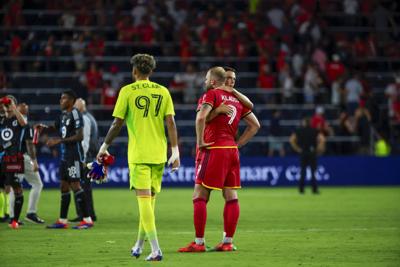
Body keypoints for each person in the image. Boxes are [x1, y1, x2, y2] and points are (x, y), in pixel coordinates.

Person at [95, 54, 180, 261]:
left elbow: (117, 123)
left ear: (134, 71)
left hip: (140, 154)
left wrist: (104, 147)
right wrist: (175, 152)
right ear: (151, 71)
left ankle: (156, 249)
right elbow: (170, 122)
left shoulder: (127, 91)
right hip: (159, 154)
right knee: (149, 204)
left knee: (143, 203)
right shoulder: (163, 91)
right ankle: (139, 245)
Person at [178, 66, 260, 252]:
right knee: (230, 195)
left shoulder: (211, 95)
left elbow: (200, 119)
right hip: (231, 150)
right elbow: (255, 125)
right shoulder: (237, 101)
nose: (205, 82)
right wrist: (236, 145)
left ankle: (198, 243)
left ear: (213, 81)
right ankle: (227, 242)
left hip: (214, 148)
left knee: (199, 194)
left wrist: (200, 142)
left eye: (207, 78)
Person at [37, 90, 94, 229]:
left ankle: (87, 220)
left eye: (63, 98)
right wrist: (43, 128)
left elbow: (79, 136)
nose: (60, 101)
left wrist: (59, 141)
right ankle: (62, 221)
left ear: (71, 100)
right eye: (60, 98)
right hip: (64, 156)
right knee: (63, 186)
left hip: (74, 155)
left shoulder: (75, 113)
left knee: (75, 185)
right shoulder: (63, 115)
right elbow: (55, 127)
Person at [8, 102, 45, 224]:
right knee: (37, 184)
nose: (24, 106)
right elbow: (29, 144)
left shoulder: (9, 124)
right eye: (22, 105)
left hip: (11, 158)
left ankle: (13, 216)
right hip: (23, 158)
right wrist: (34, 161)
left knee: (15, 186)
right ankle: (31, 213)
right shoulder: (24, 124)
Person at [0, 95, 29, 229]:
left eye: (8, 105)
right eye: (5, 105)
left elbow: (24, 123)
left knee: (17, 189)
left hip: (14, 159)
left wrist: (13, 108)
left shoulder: (18, 120)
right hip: (3, 158)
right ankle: (5, 214)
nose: (6, 107)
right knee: (4, 188)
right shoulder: (1, 120)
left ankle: (15, 220)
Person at [72, 98, 98, 222]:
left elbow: (85, 141)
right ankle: (89, 213)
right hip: (89, 155)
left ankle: (84, 214)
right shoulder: (90, 117)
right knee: (85, 186)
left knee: (80, 186)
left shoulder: (84, 119)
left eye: (76, 106)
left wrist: (82, 158)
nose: (74, 109)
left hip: (85, 156)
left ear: (82, 107)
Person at [289, 118, 326, 194]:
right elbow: (322, 139)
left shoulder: (299, 131)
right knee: (313, 172)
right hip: (312, 152)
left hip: (303, 152)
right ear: (310, 123)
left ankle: (301, 189)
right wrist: (318, 148)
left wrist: (297, 149)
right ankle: (314, 189)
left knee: (303, 171)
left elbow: (291, 139)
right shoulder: (314, 131)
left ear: (304, 123)